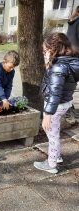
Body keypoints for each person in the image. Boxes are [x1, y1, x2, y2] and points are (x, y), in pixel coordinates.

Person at [34, 33, 79, 174]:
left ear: (53, 49)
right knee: (53, 131)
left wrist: (47, 114)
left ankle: (51, 164)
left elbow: (55, 94)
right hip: (65, 103)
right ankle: (56, 155)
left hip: (55, 106)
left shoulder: (58, 67)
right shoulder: (70, 62)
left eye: (45, 50)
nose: (44, 53)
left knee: (52, 134)